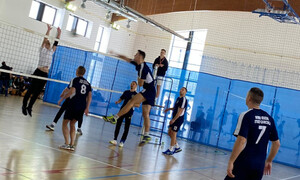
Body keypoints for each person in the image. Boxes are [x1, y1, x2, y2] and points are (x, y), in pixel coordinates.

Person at [225, 87, 280, 180]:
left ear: (249, 98)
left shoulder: (246, 115)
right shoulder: (270, 118)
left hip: (245, 161)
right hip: (260, 164)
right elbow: (277, 144)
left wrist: (231, 161)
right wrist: (269, 161)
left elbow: (242, 140)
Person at [103, 50, 156, 144]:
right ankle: (147, 135)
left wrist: (138, 76)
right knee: (145, 114)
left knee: (131, 102)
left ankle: (116, 117)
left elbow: (140, 84)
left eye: (136, 54)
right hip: (152, 91)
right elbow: (127, 59)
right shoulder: (139, 65)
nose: (134, 55)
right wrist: (116, 54)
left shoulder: (142, 68)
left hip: (148, 90)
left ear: (140, 56)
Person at [22, 24, 61, 116]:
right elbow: (45, 39)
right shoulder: (42, 50)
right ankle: (24, 106)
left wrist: (59, 33)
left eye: (49, 44)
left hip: (44, 74)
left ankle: (30, 107)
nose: (48, 44)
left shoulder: (51, 52)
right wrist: (48, 30)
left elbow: (56, 42)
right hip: (38, 72)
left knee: (37, 93)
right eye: (47, 43)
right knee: (31, 90)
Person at [59, 66, 92, 151]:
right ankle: (72, 145)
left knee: (64, 124)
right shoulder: (88, 83)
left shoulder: (75, 80)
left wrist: (63, 98)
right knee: (73, 124)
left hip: (73, 104)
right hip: (82, 106)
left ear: (77, 71)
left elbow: (72, 91)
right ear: (84, 73)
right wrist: (87, 108)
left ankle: (66, 144)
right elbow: (90, 97)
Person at [109, 81, 139, 147]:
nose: (132, 85)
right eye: (131, 83)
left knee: (126, 127)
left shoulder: (136, 95)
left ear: (136, 86)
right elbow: (121, 99)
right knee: (118, 124)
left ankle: (122, 141)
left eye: (133, 84)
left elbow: (138, 105)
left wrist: (131, 104)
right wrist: (118, 101)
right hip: (122, 111)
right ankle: (115, 139)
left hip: (129, 112)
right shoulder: (126, 92)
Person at [163, 87, 188, 155]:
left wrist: (173, 120)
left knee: (174, 133)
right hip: (174, 118)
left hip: (178, 119)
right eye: (180, 89)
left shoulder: (183, 99)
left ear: (185, 92)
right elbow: (176, 108)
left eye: (183, 90)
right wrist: (169, 109)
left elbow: (180, 111)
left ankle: (171, 149)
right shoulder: (178, 98)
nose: (181, 90)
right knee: (169, 132)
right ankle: (177, 147)